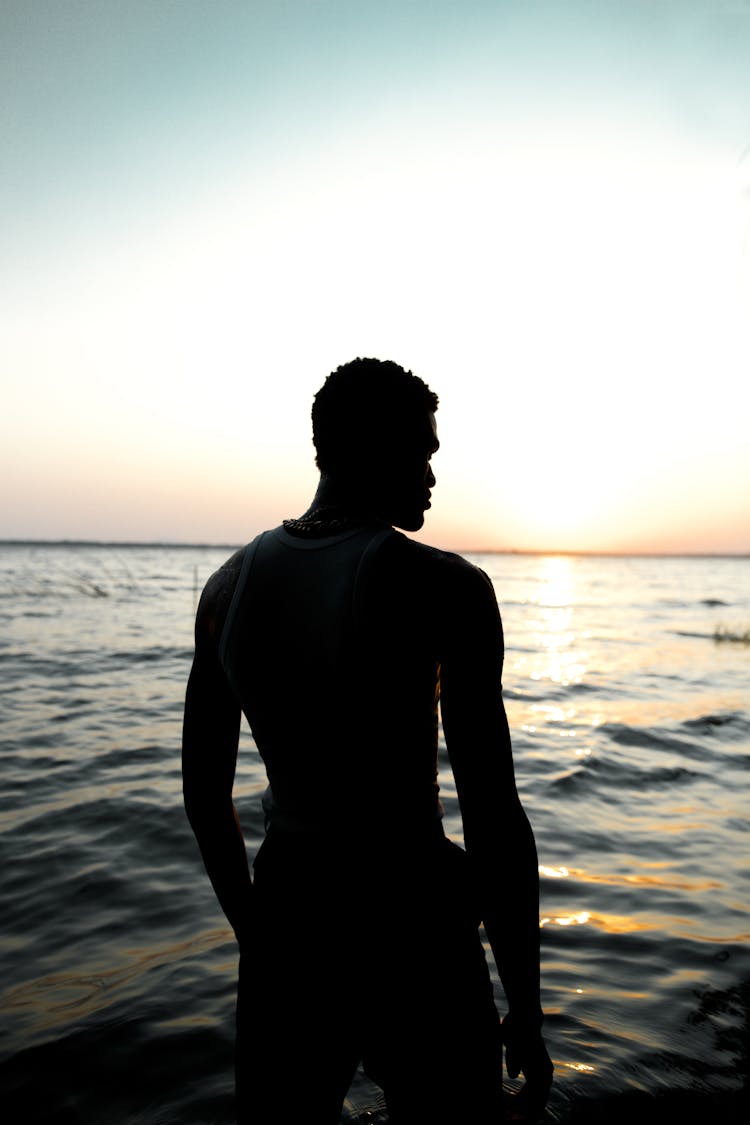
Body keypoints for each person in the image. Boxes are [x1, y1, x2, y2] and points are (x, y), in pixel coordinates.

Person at [182, 357, 552, 1123]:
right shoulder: (444, 585)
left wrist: (259, 933)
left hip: (289, 908)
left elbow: (203, 791)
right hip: (412, 918)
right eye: (420, 452)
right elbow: (492, 812)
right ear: (364, 449)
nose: (431, 475)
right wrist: (526, 1002)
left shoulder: (227, 587)